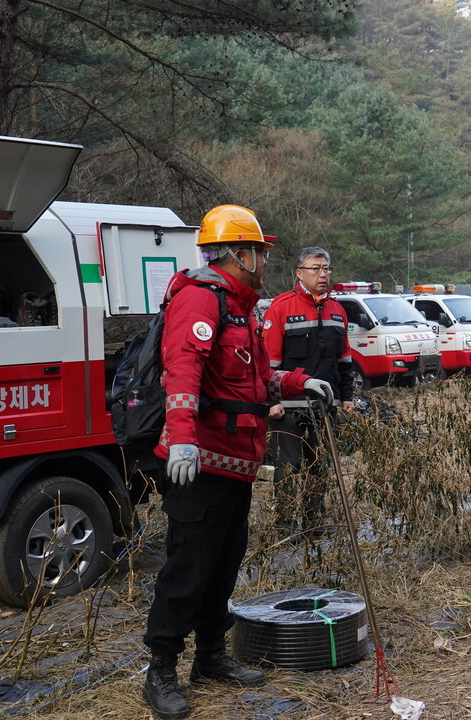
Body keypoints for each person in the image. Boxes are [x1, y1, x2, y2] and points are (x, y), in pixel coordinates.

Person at [142, 206, 333, 719]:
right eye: (260, 251)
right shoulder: (200, 300)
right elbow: (183, 372)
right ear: (239, 253)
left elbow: (253, 380)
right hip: (197, 462)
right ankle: (160, 669)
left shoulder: (238, 307)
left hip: (235, 462)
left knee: (223, 563)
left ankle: (210, 657)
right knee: (186, 568)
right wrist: (181, 439)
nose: (265, 259)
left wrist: (297, 383)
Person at [263, 246, 355, 536]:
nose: (323, 274)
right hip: (288, 407)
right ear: (299, 273)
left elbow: (344, 359)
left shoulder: (337, 310)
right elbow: (269, 364)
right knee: (288, 468)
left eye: (326, 268)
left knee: (320, 466)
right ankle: (285, 527)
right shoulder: (280, 308)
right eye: (316, 268)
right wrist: (272, 402)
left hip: (323, 407)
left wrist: (347, 397)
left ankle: (315, 524)